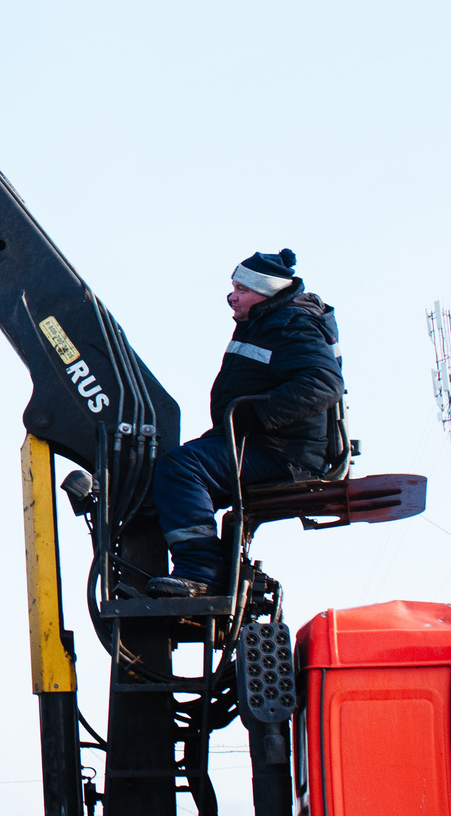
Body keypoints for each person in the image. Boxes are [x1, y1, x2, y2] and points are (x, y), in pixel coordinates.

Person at [147, 249, 344, 596]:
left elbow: (325, 384)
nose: (232, 297)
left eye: (242, 289)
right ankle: (204, 565)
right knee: (165, 477)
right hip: (261, 443)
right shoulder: (267, 323)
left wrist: (256, 416)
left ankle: (202, 574)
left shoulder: (291, 325)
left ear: (265, 293)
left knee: (182, 468)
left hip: (282, 453)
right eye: (232, 287)